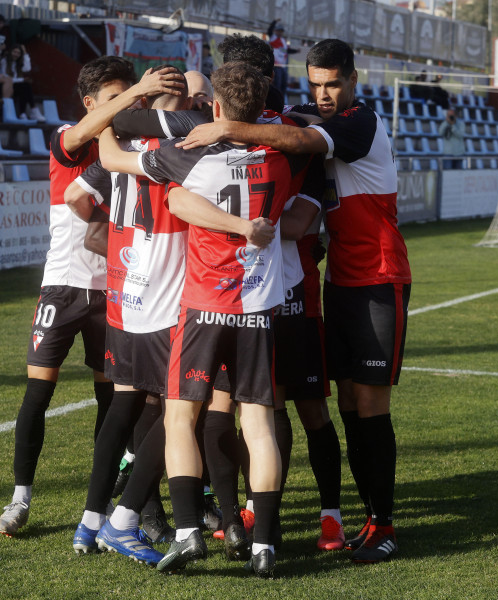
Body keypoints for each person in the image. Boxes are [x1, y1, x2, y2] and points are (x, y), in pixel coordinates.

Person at [177, 38, 412, 564]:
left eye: (333, 83)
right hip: (340, 283)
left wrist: (228, 126)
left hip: (379, 277)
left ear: (352, 80)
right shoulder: (319, 120)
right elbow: (290, 127)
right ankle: (362, 518)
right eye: (316, 84)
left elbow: (298, 136)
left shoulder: (359, 122)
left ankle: (384, 523)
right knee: (348, 404)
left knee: (370, 406)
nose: (324, 94)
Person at [100, 61, 323, 578]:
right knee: (259, 424)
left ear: (216, 108)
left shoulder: (186, 155)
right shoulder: (283, 156)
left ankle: (187, 534)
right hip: (258, 309)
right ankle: (265, 543)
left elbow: (112, 155)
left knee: (180, 416)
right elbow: (307, 142)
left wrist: (115, 108)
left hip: (202, 308)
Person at [0, 57, 184, 537]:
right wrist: (135, 90)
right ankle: (20, 500)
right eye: (116, 98)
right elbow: (79, 147)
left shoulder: (136, 146)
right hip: (63, 284)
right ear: (90, 103)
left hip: (118, 292)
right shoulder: (69, 138)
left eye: (134, 98)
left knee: (116, 403)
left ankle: (109, 505)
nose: (128, 106)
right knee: (38, 392)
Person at [0, 43, 44, 121]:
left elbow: (27, 68)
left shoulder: (17, 63)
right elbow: (7, 78)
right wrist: (22, 80)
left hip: (15, 86)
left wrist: (25, 53)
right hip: (5, 87)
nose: (16, 54)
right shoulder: (4, 61)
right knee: (25, 85)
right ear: (10, 51)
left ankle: (24, 113)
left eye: (18, 53)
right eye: (14, 52)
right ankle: (31, 110)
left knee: (25, 87)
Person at [266, 20, 298, 95]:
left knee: (283, 84)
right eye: (278, 31)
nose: (280, 32)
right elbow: (269, 30)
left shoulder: (283, 41)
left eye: (281, 31)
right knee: (277, 85)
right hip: (276, 66)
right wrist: (274, 22)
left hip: (283, 67)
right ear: (275, 31)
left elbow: (286, 50)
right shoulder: (273, 38)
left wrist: (296, 51)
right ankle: (276, 100)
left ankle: (282, 100)